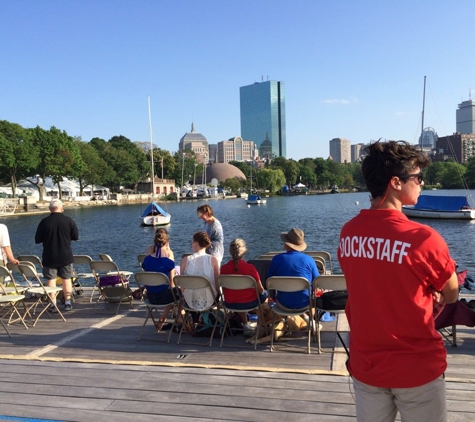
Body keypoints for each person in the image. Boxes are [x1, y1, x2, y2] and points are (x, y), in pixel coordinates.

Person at [338, 140, 459, 422]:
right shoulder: (423, 238)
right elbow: (451, 293)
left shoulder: (348, 233)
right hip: (417, 368)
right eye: (417, 177)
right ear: (395, 182)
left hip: (367, 364)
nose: (421, 183)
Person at [35, 198, 79, 311]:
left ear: (50, 209)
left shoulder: (44, 222)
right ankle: (68, 302)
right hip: (65, 255)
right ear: (62, 208)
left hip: (49, 255)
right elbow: (76, 237)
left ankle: (53, 303)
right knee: (67, 279)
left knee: (51, 280)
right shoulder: (69, 221)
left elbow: (37, 239)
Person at [267, 228, 319, 323]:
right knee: (314, 297)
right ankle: (311, 321)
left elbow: (269, 282)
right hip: (305, 304)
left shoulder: (276, 259)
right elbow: (317, 283)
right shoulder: (309, 260)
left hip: (282, 304)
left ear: (286, 244)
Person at [220, 238, 268, 336]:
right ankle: (262, 324)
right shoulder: (250, 268)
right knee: (265, 294)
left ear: (230, 251)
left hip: (230, 304)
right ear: (244, 251)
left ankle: (245, 324)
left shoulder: (223, 269)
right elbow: (260, 290)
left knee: (238, 295)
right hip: (249, 304)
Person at [141, 228, 179, 331]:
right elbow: (172, 284)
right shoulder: (168, 262)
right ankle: (174, 320)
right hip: (163, 298)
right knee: (178, 294)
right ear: (167, 243)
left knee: (172, 293)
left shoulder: (147, 260)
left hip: (150, 297)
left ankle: (163, 320)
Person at [180, 231, 220, 311]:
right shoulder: (213, 260)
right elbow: (217, 283)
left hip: (190, 301)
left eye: (192, 242)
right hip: (210, 300)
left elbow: (182, 285)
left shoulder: (185, 260)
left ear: (196, 243)